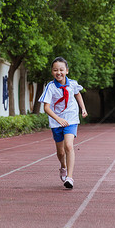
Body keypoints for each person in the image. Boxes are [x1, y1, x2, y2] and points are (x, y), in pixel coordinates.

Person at [39, 57, 88, 189]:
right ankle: (63, 167)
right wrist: (58, 119)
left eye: (61, 70)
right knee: (61, 153)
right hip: (56, 121)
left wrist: (83, 108)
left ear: (67, 71)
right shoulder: (50, 87)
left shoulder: (72, 84)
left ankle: (70, 177)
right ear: (52, 72)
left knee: (69, 146)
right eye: (55, 70)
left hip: (71, 118)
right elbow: (46, 107)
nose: (58, 72)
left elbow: (77, 94)